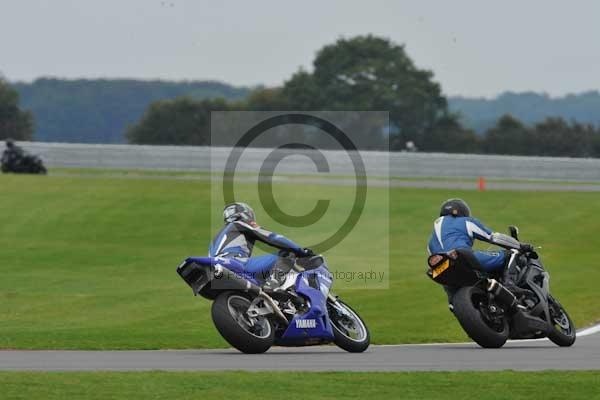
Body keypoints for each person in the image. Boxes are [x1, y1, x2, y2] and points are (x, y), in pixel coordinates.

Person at [427, 198, 527, 310]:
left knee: (445, 277)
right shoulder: (465, 222)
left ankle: (452, 303)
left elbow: (436, 259)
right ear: (462, 212)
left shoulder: (431, 241)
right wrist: (519, 245)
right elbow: (493, 237)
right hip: (463, 257)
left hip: (442, 271)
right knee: (511, 254)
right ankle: (510, 285)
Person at [210, 202, 314, 291]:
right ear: (244, 214)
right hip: (237, 263)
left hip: (217, 272)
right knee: (287, 253)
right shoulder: (239, 224)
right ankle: (272, 284)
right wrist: (301, 251)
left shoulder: (215, 240)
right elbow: (272, 237)